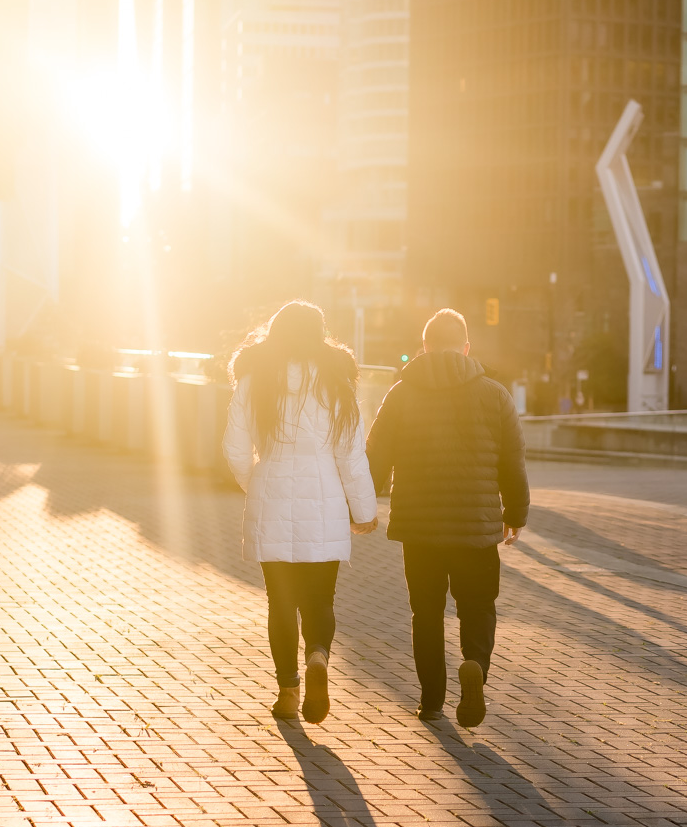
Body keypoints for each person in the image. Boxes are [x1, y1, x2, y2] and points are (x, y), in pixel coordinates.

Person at [368, 308, 528, 727]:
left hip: (419, 529)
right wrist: (515, 513)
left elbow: (375, 457)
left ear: (424, 347)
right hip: (477, 528)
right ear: (465, 347)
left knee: (426, 613)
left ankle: (431, 701)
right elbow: (513, 462)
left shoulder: (400, 394)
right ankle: (474, 664)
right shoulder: (495, 395)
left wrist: (362, 507)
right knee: (478, 607)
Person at [223, 301, 378, 724]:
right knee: (320, 599)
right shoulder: (337, 383)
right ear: (319, 334)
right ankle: (318, 657)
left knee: (280, 602)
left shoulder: (254, 382)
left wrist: (254, 483)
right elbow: (351, 456)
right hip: (325, 505)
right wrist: (363, 509)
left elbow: (234, 448)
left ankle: (288, 690)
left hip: (270, 501)